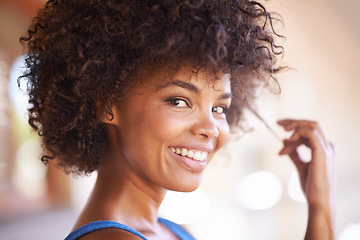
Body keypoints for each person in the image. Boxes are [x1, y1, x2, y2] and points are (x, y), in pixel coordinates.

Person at [19, 0, 336, 239]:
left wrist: (319, 202)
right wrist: (322, 210)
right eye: (179, 100)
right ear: (105, 103)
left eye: (219, 108)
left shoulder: (167, 229)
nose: (210, 128)